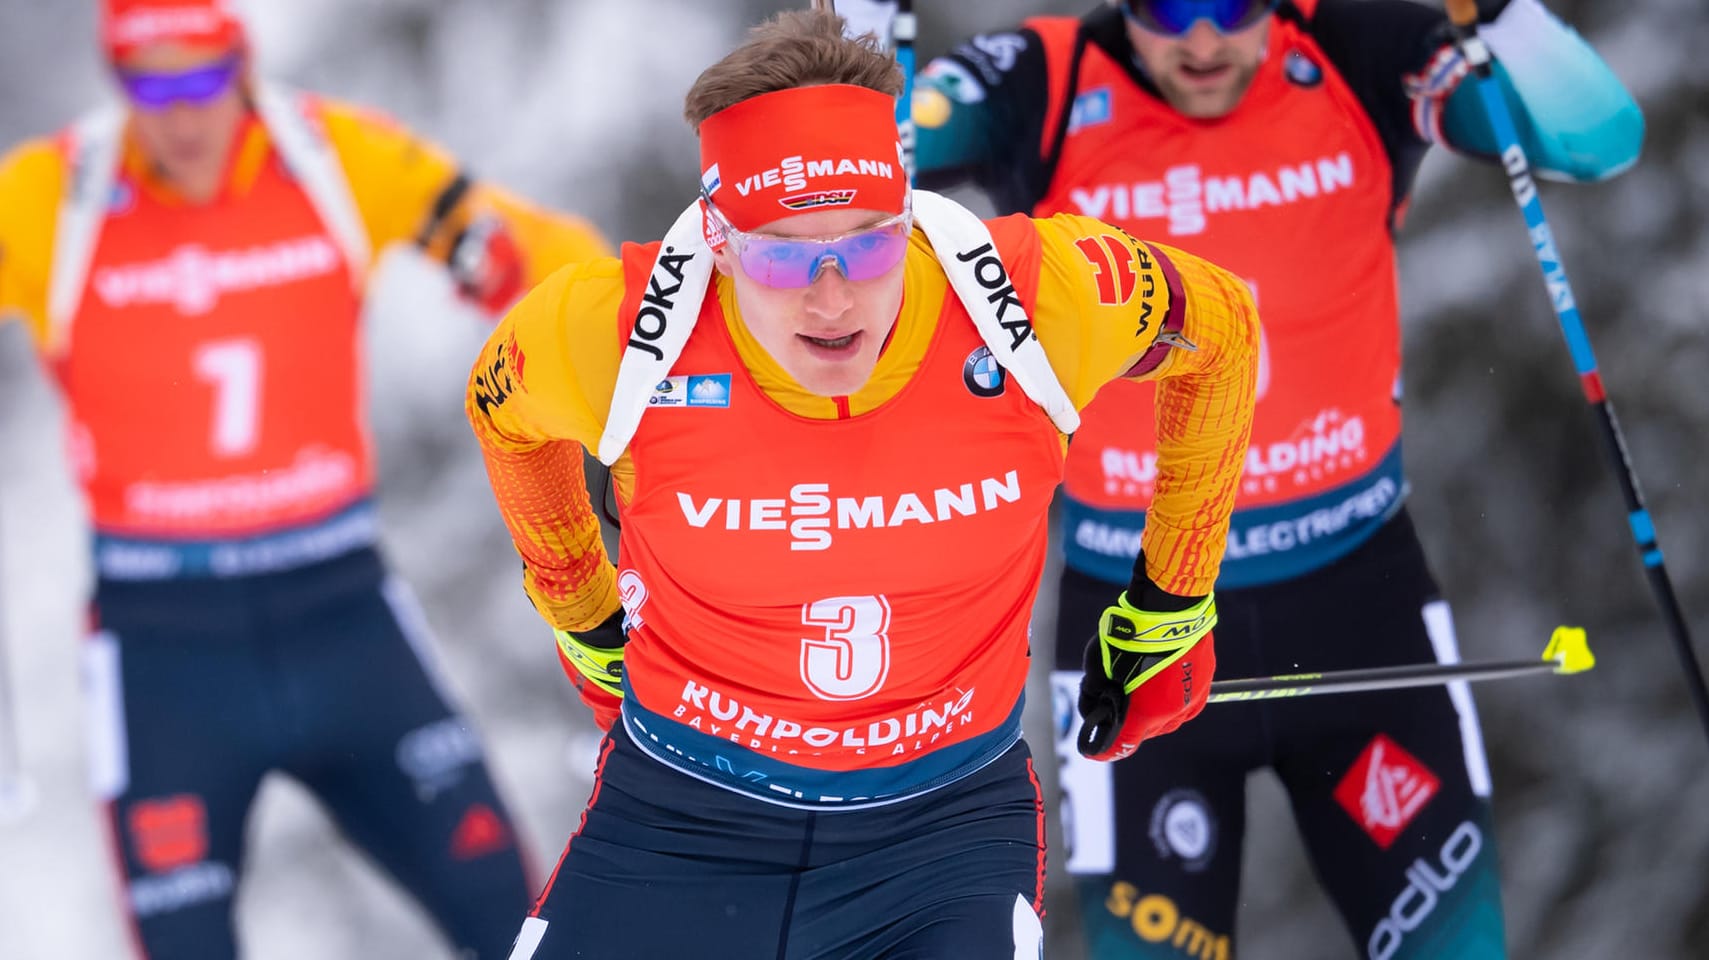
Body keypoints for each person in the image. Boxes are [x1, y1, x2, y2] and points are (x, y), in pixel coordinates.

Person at [468, 9, 1263, 958]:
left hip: (941, 838)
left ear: (907, 212)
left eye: (871, 243)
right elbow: (500, 411)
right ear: (718, 239)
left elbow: (1221, 332)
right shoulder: (613, 328)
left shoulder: (1032, 297)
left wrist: (1172, 599)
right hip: (679, 828)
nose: (833, 297)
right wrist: (580, 610)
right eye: (782, 256)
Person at [897, 0, 1643, 956]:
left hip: (1359, 605)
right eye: (1166, 8)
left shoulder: (1356, 48)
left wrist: (1500, 15)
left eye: (1231, 6)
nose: (1201, 39)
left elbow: (1598, 143)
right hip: (1135, 627)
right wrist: (871, 58)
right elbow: (870, 178)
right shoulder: (1042, 78)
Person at [0, 1, 611, 956]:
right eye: (148, 81)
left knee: (518, 928)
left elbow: (553, 261)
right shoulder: (55, 197)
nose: (182, 113)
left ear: (240, 68)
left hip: (342, 616)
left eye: (202, 76)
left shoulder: (330, 159)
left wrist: (614, 346)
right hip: (164, 650)